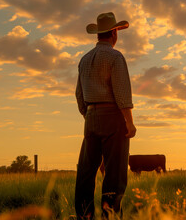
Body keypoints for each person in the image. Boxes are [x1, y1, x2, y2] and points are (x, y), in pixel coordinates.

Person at [75, 12, 136, 219]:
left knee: (86, 171)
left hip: (90, 117)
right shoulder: (115, 57)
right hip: (113, 117)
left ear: (98, 34)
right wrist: (129, 122)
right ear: (114, 33)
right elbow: (121, 92)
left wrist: (90, 115)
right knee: (115, 172)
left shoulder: (84, 60)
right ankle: (109, 215)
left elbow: (79, 95)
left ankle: (84, 215)